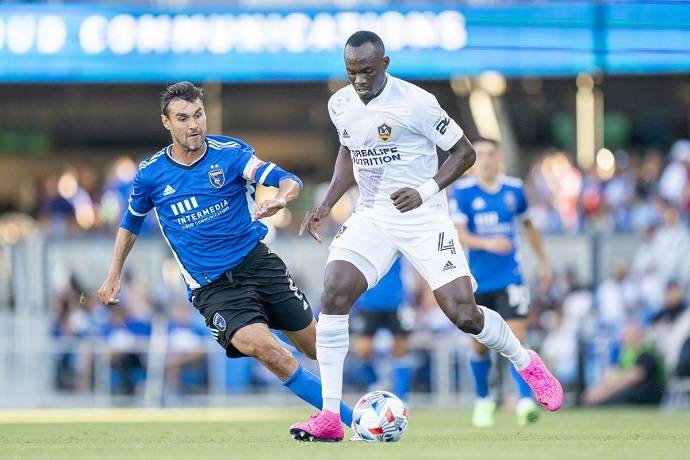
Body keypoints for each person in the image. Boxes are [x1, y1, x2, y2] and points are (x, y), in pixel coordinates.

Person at [291, 31, 562, 442]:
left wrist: (425, 190)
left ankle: (526, 361)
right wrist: (328, 203)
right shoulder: (340, 103)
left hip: (424, 215)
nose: (359, 80)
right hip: (374, 215)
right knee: (333, 292)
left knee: (464, 314)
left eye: (366, 71)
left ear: (385, 63)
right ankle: (330, 416)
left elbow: (464, 152)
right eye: (351, 73)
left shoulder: (416, 103)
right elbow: (349, 150)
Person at [97, 81, 353, 427]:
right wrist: (114, 274)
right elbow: (130, 224)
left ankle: (358, 410)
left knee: (317, 348)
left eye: (198, 115)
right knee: (269, 350)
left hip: (258, 265)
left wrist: (282, 196)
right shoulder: (150, 175)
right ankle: (350, 420)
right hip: (214, 289)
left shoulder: (231, 153)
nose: (194, 125)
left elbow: (287, 178)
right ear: (166, 123)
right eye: (183, 118)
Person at [449, 137, 552, 427]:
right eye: (479, 154)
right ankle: (483, 399)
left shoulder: (514, 190)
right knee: (479, 345)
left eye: (490, 154)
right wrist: (489, 243)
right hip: (477, 280)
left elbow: (529, 227)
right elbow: (459, 234)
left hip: (511, 276)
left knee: (517, 337)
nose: (485, 159)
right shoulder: (463, 192)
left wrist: (544, 263)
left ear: (499, 158)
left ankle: (524, 401)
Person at [350, 258, 412, 402]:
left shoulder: (396, 238)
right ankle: (377, 383)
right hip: (368, 301)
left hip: (396, 300)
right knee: (363, 349)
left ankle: (402, 397)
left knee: (401, 349)